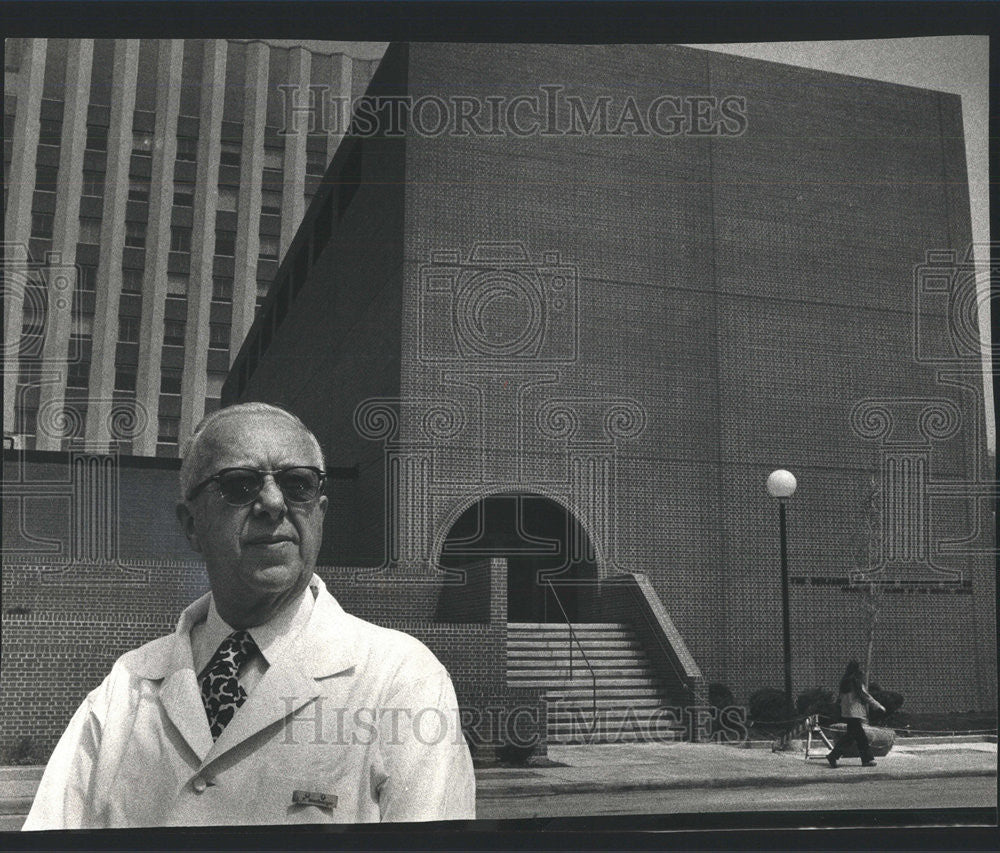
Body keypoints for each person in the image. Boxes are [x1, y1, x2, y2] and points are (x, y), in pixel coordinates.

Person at [23, 403, 476, 828]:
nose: (274, 503)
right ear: (191, 525)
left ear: (319, 512)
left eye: (297, 483)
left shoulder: (401, 680)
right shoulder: (123, 689)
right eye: (239, 484)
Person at [826, 659, 886, 768]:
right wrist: (878, 706)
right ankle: (864, 759)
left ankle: (836, 756)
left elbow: (840, 698)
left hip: (847, 712)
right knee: (860, 737)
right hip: (855, 712)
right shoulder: (856, 680)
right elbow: (865, 695)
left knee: (854, 736)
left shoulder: (844, 681)